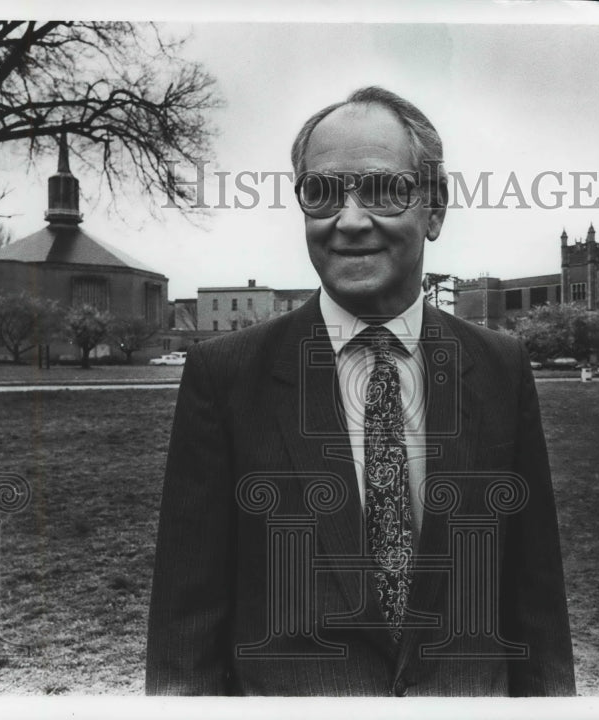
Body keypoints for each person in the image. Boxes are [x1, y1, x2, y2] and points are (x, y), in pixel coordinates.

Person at [146, 86, 575, 697]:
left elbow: (536, 602)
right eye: (321, 192)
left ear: (435, 208)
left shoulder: (500, 366)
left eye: (381, 189)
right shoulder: (225, 375)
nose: (348, 220)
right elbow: (185, 626)